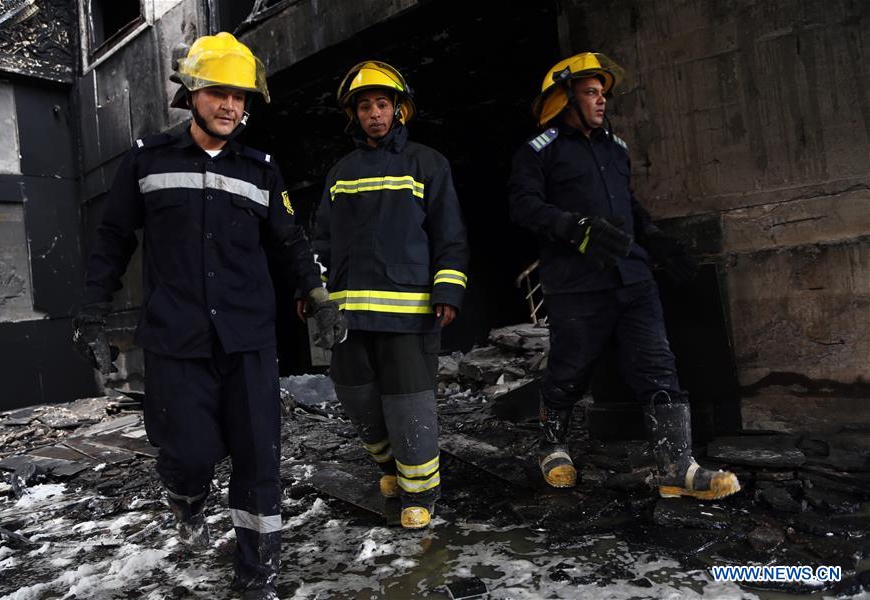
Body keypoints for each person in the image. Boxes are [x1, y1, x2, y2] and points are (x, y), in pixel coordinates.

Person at [71, 32, 345, 599]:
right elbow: (112, 241)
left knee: (257, 459)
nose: (230, 106)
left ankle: (255, 573)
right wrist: (92, 315)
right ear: (192, 93)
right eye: (219, 92)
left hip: (247, 339)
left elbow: (290, 242)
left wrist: (318, 295)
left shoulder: (261, 170)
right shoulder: (146, 160)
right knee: (188, 453)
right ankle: (186, 495)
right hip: (176, 339)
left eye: (240, 97)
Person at [508, 52, 740, 500]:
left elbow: (628, 206)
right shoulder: (539, 150)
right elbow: (523, 207)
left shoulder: (615, 148)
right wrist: (573, 228)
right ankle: (553, 444)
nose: (601, 102)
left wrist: (657, 240)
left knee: (658, 366)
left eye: (603, 95)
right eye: (591, 93)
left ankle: (677, 466)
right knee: (570, 370)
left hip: (632, 279)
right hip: (576, 284)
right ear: (565, 99)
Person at [306, 61, 469, 529]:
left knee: (407, 401)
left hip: (408, 313)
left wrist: (448, 288)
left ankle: (420, 493)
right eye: (364, 106)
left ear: (399, 110)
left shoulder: (427, 162)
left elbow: (450, 234)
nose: (374, 113)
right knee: (356, 397)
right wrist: (312, 292)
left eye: (382, 104)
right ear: (353, 115)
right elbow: (321, 240)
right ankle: (388, 468)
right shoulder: (340, 172)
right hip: (348, 317)